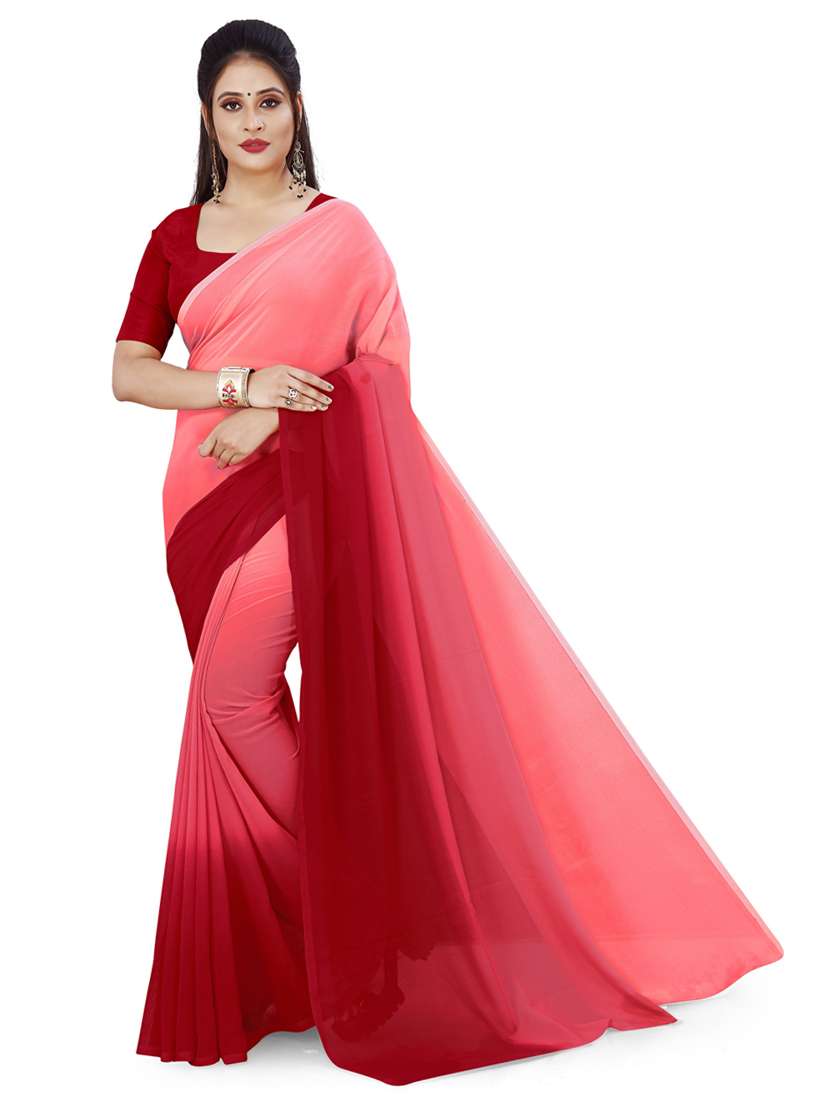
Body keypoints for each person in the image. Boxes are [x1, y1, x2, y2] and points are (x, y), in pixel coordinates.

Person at [112, 18, 783, 1088]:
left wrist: (280, 416)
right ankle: (331, 944)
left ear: (297, 107)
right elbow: (130, 372)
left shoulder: (341, 232)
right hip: (197, 506)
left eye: (269, 100)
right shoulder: (173, 236)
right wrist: (235, 385)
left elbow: (383, 373)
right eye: (231, 104)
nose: (252, 122)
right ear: (205, 116)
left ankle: (380, 898)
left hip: (301, 498)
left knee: (230, 704)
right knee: (243, 709)